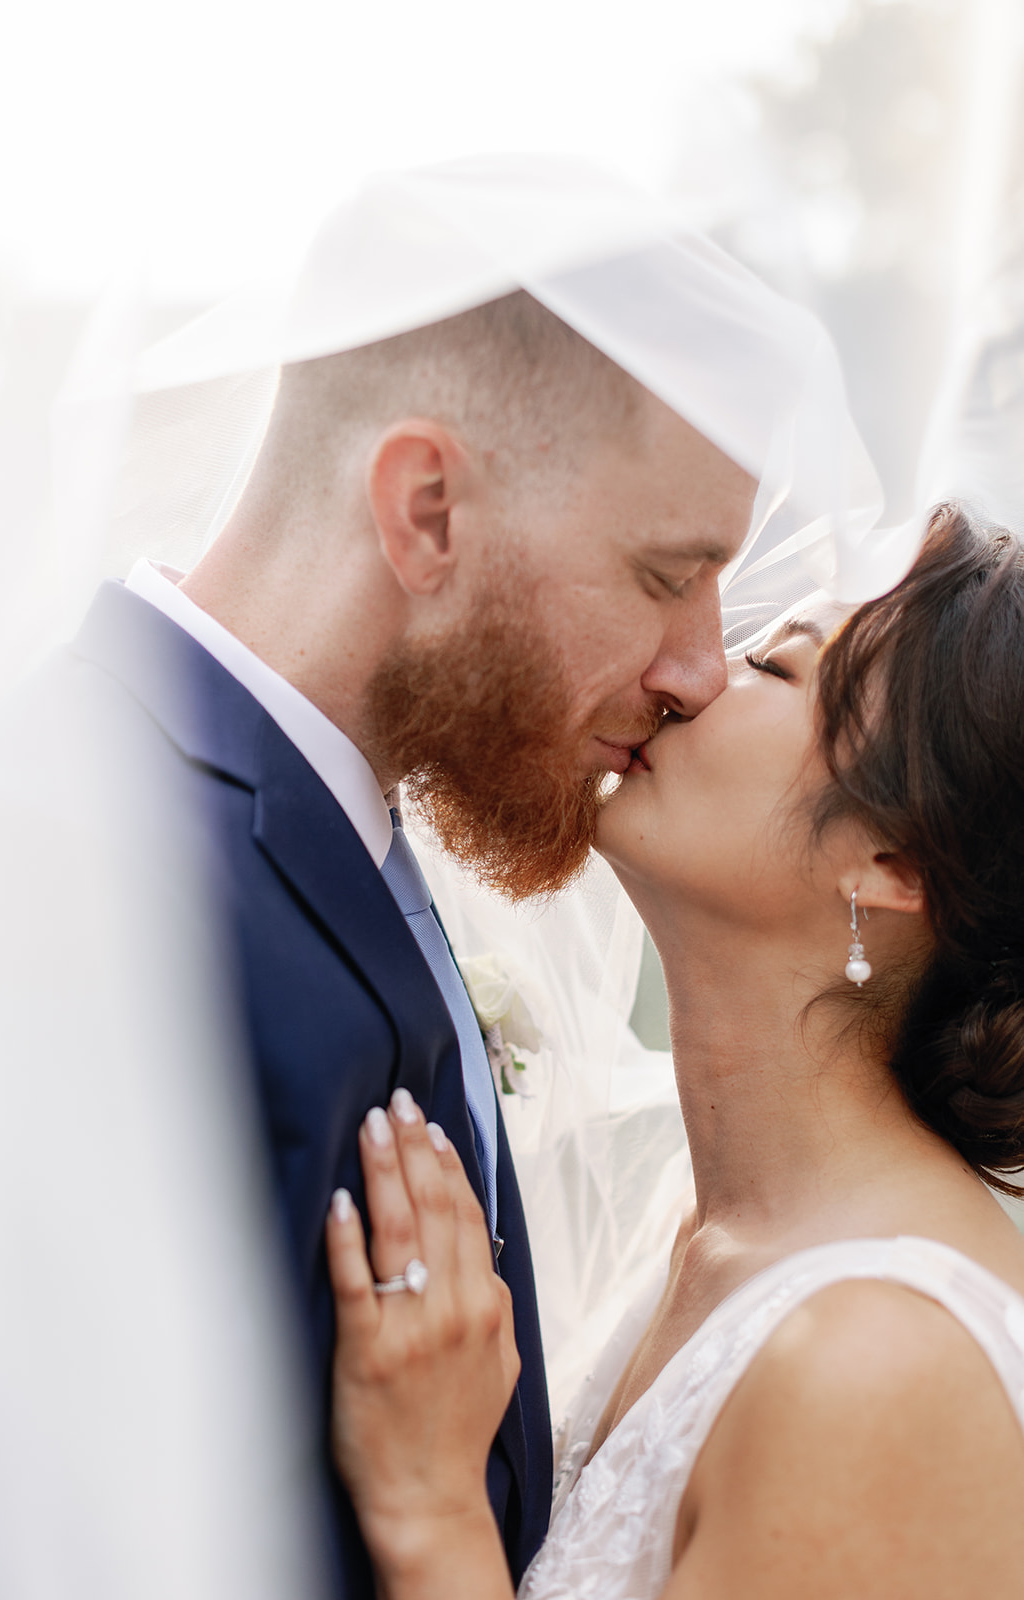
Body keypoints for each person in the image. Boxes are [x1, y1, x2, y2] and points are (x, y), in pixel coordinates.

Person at [68, 286, 756, 1598]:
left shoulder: (363, 803)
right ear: (426, 510)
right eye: (666, 577)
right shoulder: (120, 871)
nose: (702, 670)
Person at [326, 501, 1024, 1599]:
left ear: (891, 863)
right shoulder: (697, 1226)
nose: (688, 680)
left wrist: (431, 1507)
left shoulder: (884, 1367)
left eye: (771, 665)